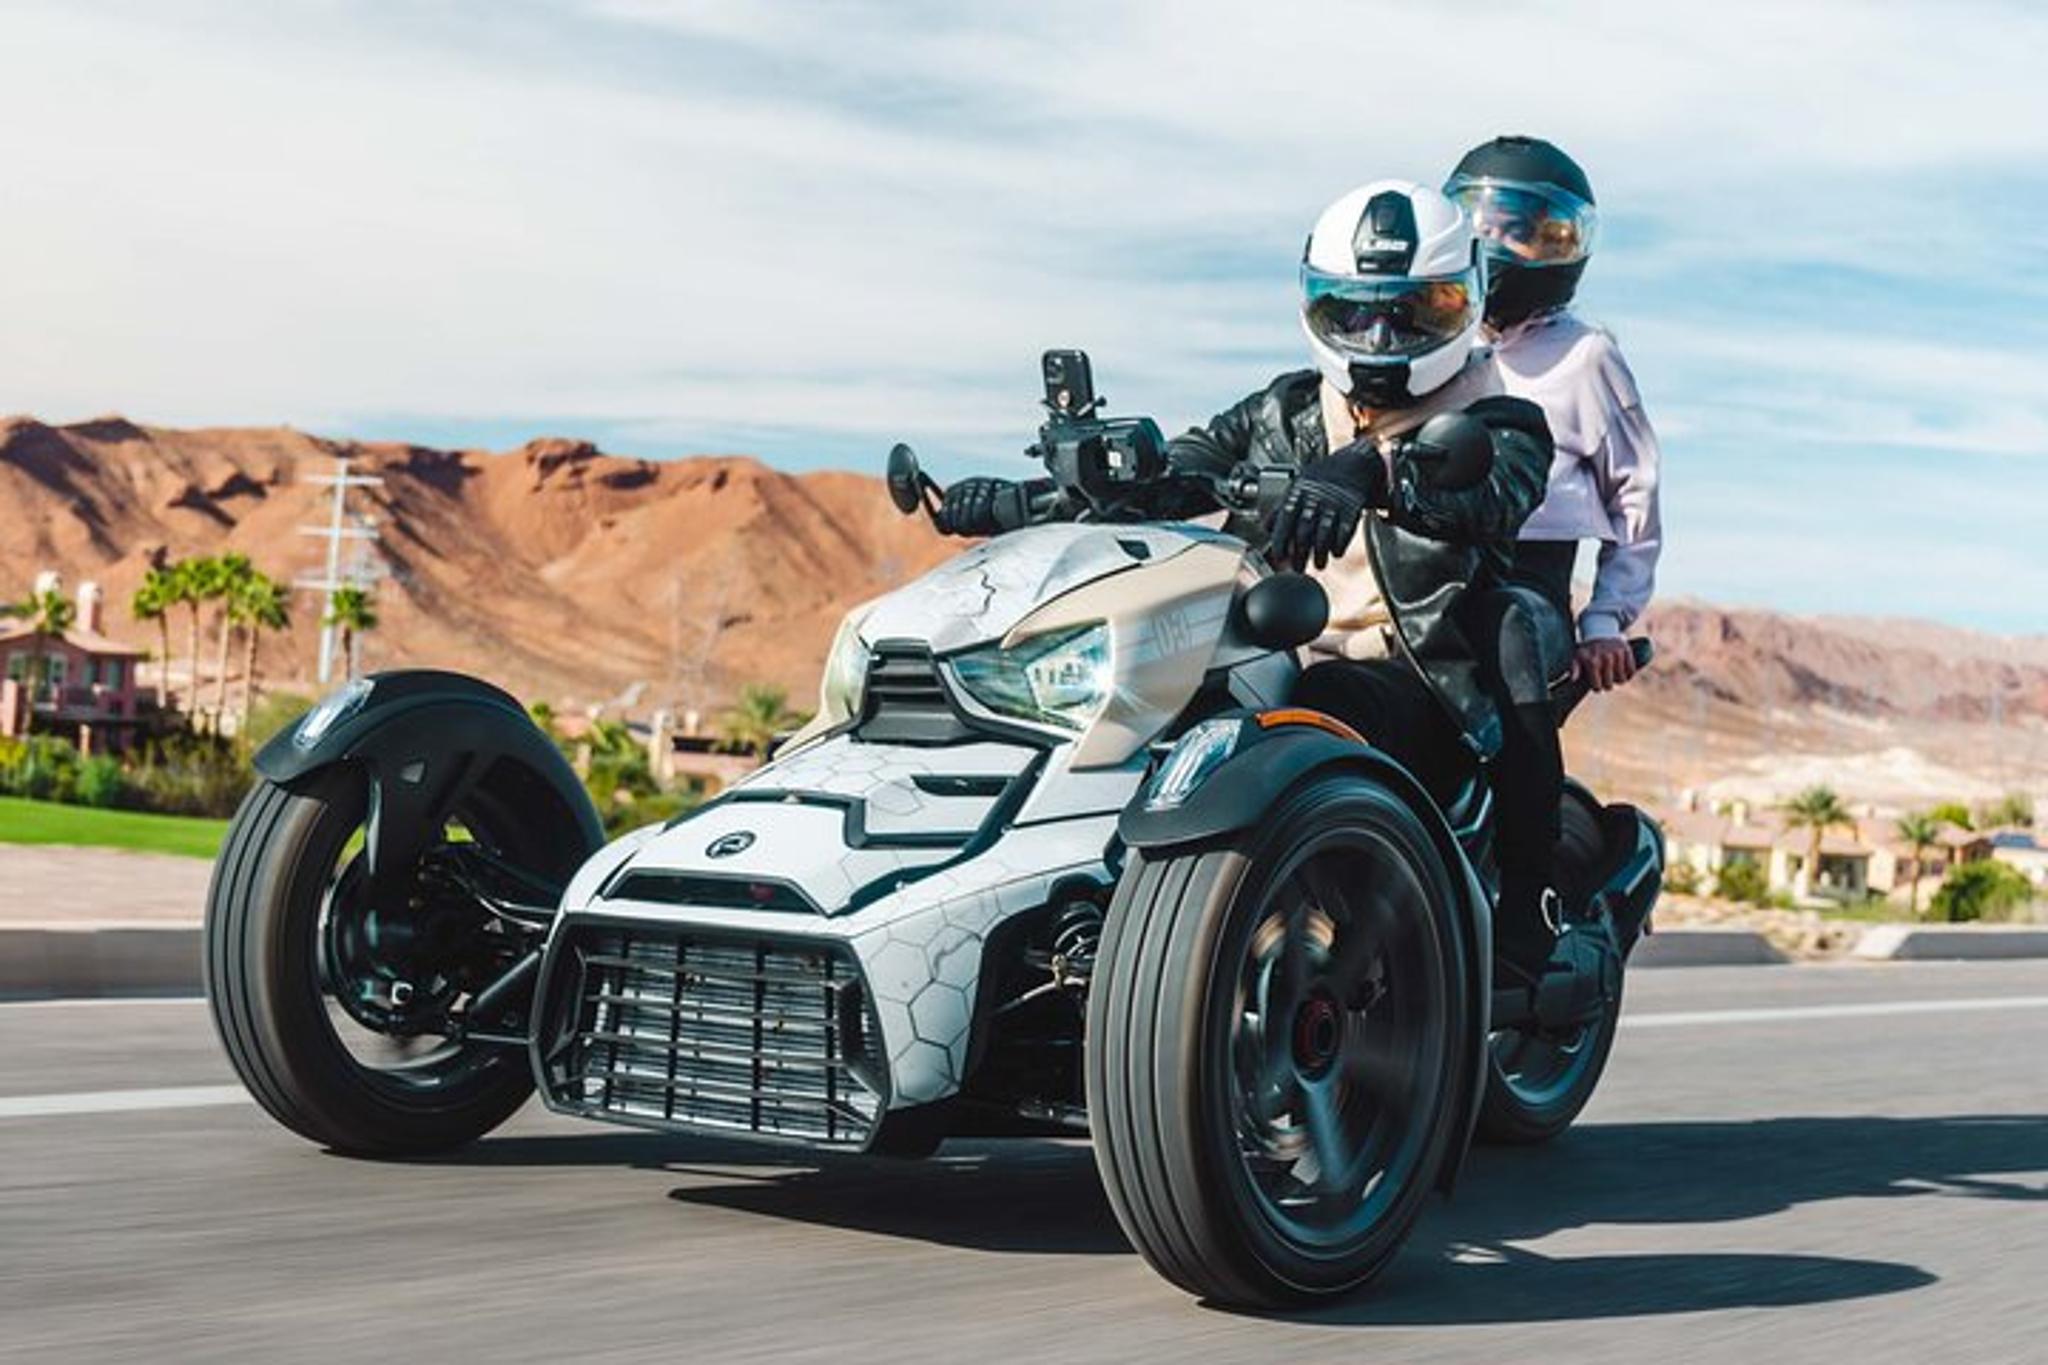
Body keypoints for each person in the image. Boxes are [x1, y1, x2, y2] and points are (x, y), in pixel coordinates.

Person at [936, 181, 1573, 985]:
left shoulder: (1504, 421)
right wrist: (1026, 497)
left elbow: (1487, 491)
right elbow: (1180, 471)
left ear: (1464, 301)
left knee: (1327, 708)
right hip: (1258, 649)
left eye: (1413, 311)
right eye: (1353, 311)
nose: (1379, 335)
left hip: (1417, 678)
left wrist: (1370, 473)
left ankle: (1532, 902)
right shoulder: (1287, 409)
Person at [1445, 136, 1664, 695]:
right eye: (1479, 225)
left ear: (1557, 244)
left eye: (1516, 231)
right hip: (1424, 573)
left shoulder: (1585, 356)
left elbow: (1635, 496)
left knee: (1506, 644)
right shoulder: (1434, 344)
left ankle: (1531, 786)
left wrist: (1604, 619)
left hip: (1527, 584)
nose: (1491, 242)